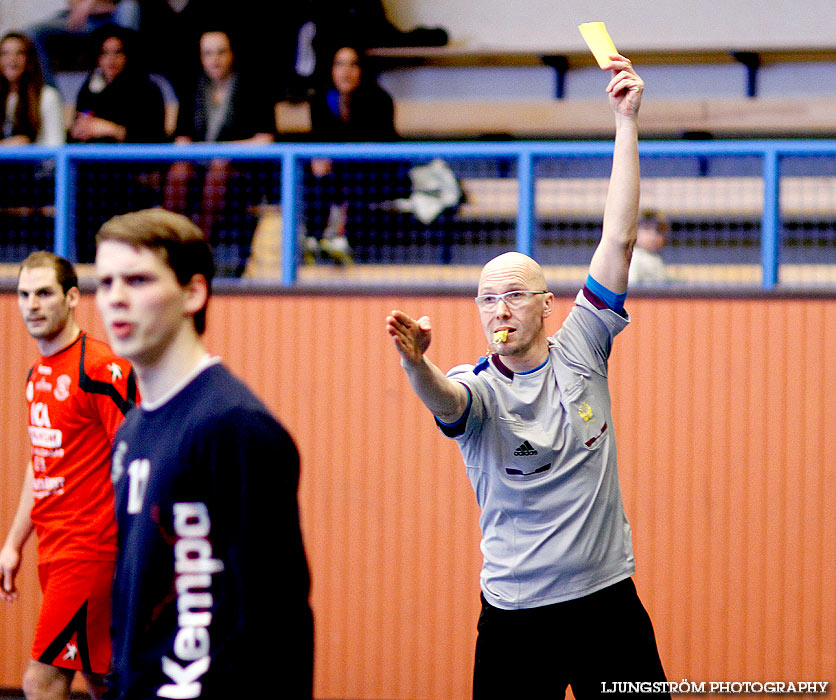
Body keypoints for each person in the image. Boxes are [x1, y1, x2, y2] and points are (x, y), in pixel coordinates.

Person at [385, 55, 669, 699]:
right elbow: (448, 399)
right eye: (487, 298)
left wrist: (625, 122)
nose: (500, 309)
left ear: (548, 303)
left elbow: (619, 238)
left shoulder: (583, 348)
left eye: (515, 294)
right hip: (517, 619)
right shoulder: (477, 387)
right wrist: (415, 363)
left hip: (608, 606)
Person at [94, 208, 313, 699]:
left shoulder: (233, 426)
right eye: (105, 282)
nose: (115, 299)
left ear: (193, 293)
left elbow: (278, 622)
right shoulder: (131, 430)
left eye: (138, 280)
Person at [0, 251, 137, 700]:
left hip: (91, 551)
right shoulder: (36, 374)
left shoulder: (100, 370)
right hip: (53, 551)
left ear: (72, 297)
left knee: (41, 682)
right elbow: (41, 461)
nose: (31, 305)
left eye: (43, 293)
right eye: (23, 294)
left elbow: (139, 455)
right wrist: (14, 543)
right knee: (103, 680)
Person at [164, 28, 275, 275]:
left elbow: (265, 139)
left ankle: (199, 247)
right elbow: (181, 138)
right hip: (198, 167)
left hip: (242, 171)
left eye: (221, 52)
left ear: (232, 54)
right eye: (208, 54)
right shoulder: (192, 87)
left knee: (219, 167)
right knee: (179, 170)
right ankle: (173, 244)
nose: (215, 60)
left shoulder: (253, 85)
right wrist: (193, 153)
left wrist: (222, 152)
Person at [304, 44, 400, 264]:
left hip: (374, 174)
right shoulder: (320, 100)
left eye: (353, 65)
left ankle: (342, 239)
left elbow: (382, 149)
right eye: (339, 65)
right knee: (316, 172)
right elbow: (319, 142)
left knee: (355, 173)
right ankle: (313, 238)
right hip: (333, 175)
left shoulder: (379, 99)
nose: (345, 71)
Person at [69, 24, 166, 144]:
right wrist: (78, 130)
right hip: (94, 158)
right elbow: (78, 124)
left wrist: (114, 130)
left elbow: (153, 137)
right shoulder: (90, 87)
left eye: (117, 52)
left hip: (132, 160)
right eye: (104, 53)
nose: (111, 59)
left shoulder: (147, 89)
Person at [24, 1, 140, 88]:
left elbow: (111, 5)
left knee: (130, 7)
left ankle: (129, 86)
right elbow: (73, 3)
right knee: (29, 33)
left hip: (112, 16)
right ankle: (52, 94)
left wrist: (90, 3)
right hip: (81, 19)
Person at [0, 32, 65, 146]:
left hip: (35, 162)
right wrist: (8, 146)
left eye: (19, 53)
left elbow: (55, 147)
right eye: (4, 54)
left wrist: (28, 148)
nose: (12, 60)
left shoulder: (47, 96)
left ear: (29, 59)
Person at [629, 209, 669, 284]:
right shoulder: (633, 257)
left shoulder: (656, 258)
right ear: (634, 231)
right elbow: (631, 288)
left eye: (658, 231)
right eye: (647, 228)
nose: (653, 235)